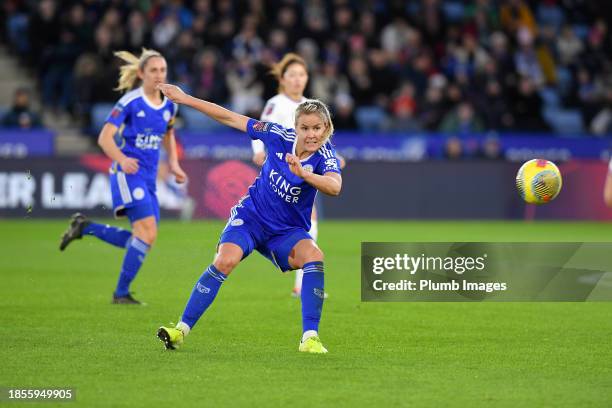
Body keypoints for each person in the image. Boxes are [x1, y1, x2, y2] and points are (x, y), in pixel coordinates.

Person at [155, 83, 342, 354]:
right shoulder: (277, 135)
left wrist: (306, 176)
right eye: (305, 128)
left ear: (326, 128)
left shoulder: (326, 156)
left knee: (314, 256)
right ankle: (180, 330)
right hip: (252, 217)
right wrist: (185, 98)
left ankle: (309, 338)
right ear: (296, 127)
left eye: (317, 128)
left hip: (286, 232)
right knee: (225, 260)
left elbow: (335, 187)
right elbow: (231, 117)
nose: (311, 134)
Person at [59, 49, 187, 305]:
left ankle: (86, 227)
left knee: (144, 237)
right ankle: (120, 294)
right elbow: (104, 138)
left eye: (163, 70)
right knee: (146, 232)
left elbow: (168, 135)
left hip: (149, 177)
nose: (159, 75)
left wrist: (173, 162)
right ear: (141, 74)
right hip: (127, 174)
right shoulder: (130, 102)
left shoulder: (169, 104)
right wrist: (122, 159)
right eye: (153, 70)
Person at [252, 52, 344, 297]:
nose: (297, 79)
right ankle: (300, 277)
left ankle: (301, 280)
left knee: (307, 220)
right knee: (303, 220)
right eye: (292, 75)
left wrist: (334, 159)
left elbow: (320, 140)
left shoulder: (308, 105)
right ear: (282, 79)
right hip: (283, 169)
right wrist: (259, 151)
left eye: (301, 75)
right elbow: (264, 129)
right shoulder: (276, 103)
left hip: (306, 171)